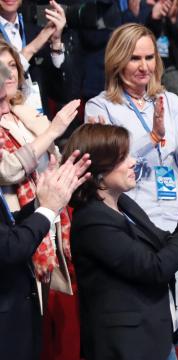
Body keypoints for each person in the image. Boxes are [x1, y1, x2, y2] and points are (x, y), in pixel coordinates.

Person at [83, 23, 178, 345]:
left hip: (177, 216)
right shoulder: (100, 106)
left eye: (150, 57)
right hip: (138, 220)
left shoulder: (171, 100)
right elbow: (105, 161)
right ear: (118, 60)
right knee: (157, 316)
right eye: (135, 58)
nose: (144, 66)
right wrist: (152, 136)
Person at [67, 124, 178, 360]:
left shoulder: (124, 204)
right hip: (125, 347)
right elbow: (155, 269)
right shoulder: (91, 220)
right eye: (123, 158)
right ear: (98, 171)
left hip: (153, 338)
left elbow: (163, 244)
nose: (133, 162)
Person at [0, 58, 90, 360]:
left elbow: (57, 154)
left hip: (49, 219)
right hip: (19, 228)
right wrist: (52, 131)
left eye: (12, 65)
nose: (7, 73)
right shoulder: (43, 126)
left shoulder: (24, 114)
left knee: (54, 328)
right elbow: (8, 170)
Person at [0, 0, 73, 115]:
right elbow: (3, 76)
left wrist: (56, 43)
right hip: (6, 124)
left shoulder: (35, 31)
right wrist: (32, 48)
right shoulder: (41, 36)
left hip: (40, 122)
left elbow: (62, 93)